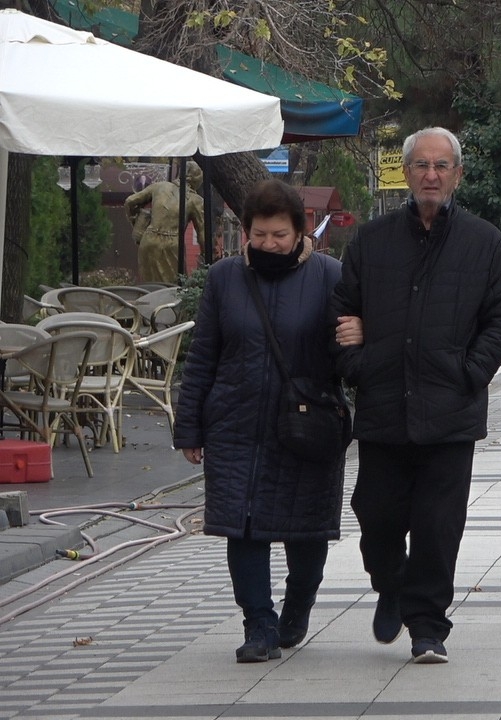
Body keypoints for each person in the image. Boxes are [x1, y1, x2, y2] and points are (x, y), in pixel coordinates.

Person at [331, 127, 501, 664]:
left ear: (457, 175)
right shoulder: (372, 241)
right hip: (384, 404)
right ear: (407, 174)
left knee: (438, 528)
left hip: (450, 410)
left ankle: (428, 626)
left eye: (441, 166)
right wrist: (358, 364)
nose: (431, 175)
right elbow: (343, 311)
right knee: (376, 515)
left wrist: (472, 371)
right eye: (421, 166)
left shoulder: (485, 242)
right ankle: (390, 583)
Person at [174, 179, 346, 664]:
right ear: (246, 232)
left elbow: (347, 354)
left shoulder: (330, 276)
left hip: (306, 425)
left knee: (307, 527)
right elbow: (203, 354)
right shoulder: (224, 278)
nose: (269, 244)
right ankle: (258, 623)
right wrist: (189, 426)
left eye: (279, 235)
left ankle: (297, 608)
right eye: (259, 235)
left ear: (300, 232)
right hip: (235, 422)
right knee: (242, 526)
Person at [125, 160, 205, 283]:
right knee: (173, 289)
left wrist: (135, 223)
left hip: (149, 240)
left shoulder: (159, 186)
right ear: (197, 180)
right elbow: (202, 234)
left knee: (149, 287)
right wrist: (206, 257)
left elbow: (130, 201)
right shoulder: (196, 200)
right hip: (172, 245)